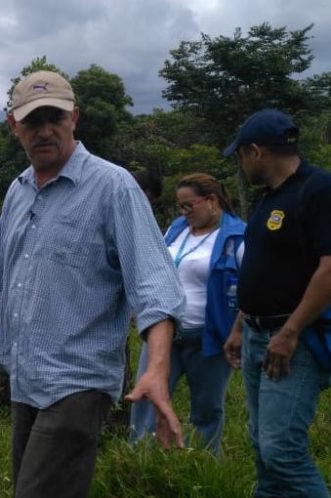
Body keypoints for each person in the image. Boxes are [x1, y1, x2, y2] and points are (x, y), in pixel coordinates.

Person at [0, 70, 186, 498]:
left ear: (75, 118)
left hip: (79, 381)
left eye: (55, 117)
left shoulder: (113, 188)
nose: (45, 130)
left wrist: (158, 370)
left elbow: (154, 284)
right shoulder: (18, 191)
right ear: (14, 126)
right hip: (25, 377)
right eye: (33, 121)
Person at [222, 109, 331, 497]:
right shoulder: (270, 198)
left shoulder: (318, 190)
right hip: (256, 334)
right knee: (262, 448)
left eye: (240, 155)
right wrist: (240, 325)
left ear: (255, 151)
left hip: (294, 340)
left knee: (282, 451)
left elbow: (329, 268)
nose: (241, 165)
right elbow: (262, 267)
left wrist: (290, 332)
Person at [130, 173, 245, 455]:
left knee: (207, 408)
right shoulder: (177, 228)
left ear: (211, 200)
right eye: (180, 206)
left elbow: (254, 287)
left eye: (188, 205)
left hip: (210, 337)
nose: (183, 212)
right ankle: (140, 460)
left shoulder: (238, 237)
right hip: (164, 332)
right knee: (147, 397)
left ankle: (203, 465)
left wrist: (238, 330)